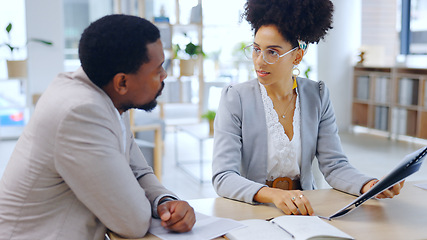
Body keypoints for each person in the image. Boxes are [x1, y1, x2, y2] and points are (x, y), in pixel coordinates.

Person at [0, 14, 195, 239]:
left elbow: (138, 171)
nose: (165, 75)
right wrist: (146, 204)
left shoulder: (104, 91)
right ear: (122, 82)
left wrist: (166, 202)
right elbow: (133, 221)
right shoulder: (80, 112)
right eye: (157, 70)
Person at [212, 0, 404, 216]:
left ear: (297, 56)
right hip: (254, 209)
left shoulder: (317, 96)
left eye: (272, 52)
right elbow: (223, 176)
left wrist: (369, 185)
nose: (259, 61)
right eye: (256, 49)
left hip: (305, 209)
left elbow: (335, 165)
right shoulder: (235, 98)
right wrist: (273, 195)